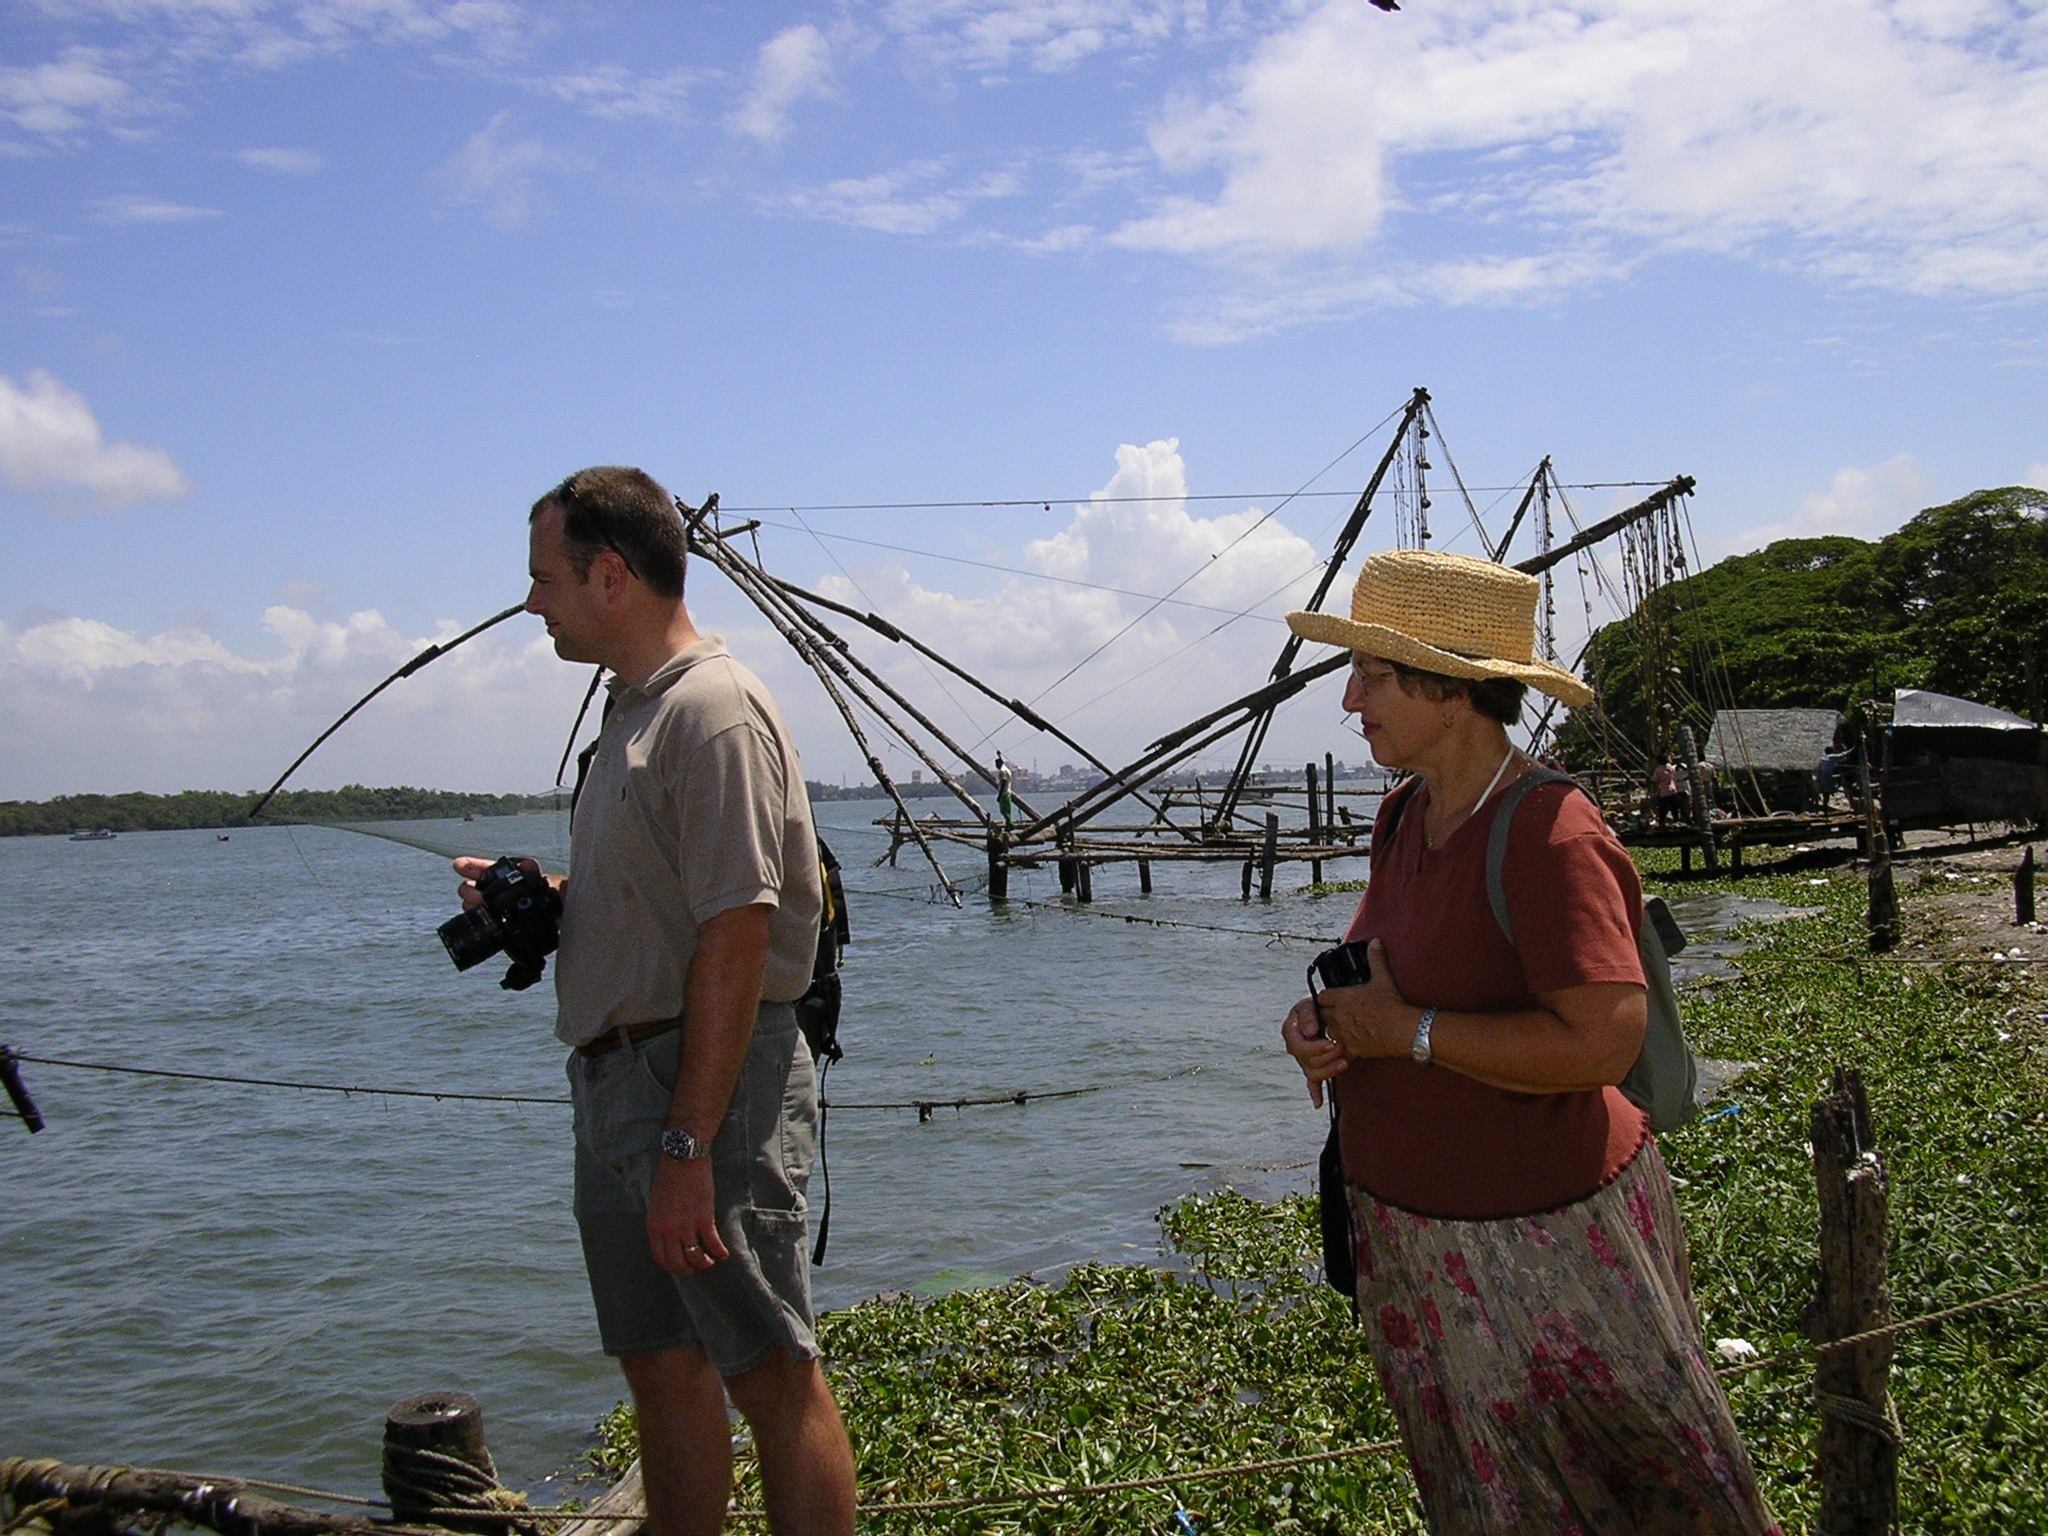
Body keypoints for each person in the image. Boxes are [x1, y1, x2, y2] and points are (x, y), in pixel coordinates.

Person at [1278, 550, 1778, 1534]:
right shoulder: (1402, 815)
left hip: (1547, 1241)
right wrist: (1325, 1026)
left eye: (1371, 676)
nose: (1348, 700)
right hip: (1416, 1240)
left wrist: (1408, 1034)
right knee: (1488, 1500)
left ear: (1450, 690)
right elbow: (1391, 970)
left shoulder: (1551, 832)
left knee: (1643, 1494)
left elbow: (1601, 1044)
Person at [456, 466, 855, 1536]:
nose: (532, 603)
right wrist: (547, 897)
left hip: (703, 1088)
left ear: (610, 576)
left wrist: (687, 1147)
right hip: (617, 1084)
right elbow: (670, 902)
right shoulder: (634, 713)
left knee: (769, 1371)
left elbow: (737, 935)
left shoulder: (712, 713)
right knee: (661, 1364)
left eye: (545, 579)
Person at [1651, 754, 1682, 826]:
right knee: (1672, 808)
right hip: (1671, 790)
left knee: (1665, 809)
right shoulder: (1667, 768)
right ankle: (1675, 822)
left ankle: (1663, 824)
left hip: (1666, 791)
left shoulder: (1659, 769)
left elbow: (1655, 780)